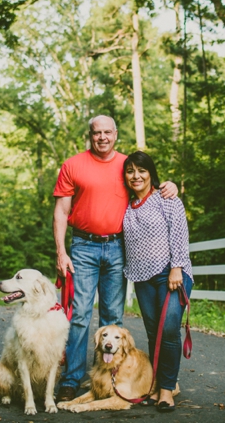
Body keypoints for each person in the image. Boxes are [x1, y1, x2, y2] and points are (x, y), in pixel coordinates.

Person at [53, 115, 178, 402]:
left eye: (107, 132)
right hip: (83, 246)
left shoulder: (126, 165)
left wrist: (167, 184)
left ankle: (110, 380)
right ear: (90, 135)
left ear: (116, 134)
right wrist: (61, 252)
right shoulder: (73, 165)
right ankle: (72, 379)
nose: (102, 137)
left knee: (112, 318)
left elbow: (145, 183)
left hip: (118, 247)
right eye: (97, 133)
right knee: (81, 316)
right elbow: (61, 211)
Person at [121, 151, 193, 413]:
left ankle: (167, 389)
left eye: (141, 170)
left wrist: (176, 268)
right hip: (141, 277)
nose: (136, 176)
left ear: (150, 172)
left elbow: (179, 234)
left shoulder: (166, 199)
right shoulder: (126, 205)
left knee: (170, 329)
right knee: (154, 333)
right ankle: (155, 384)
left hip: (170, 274)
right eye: (130, 171)